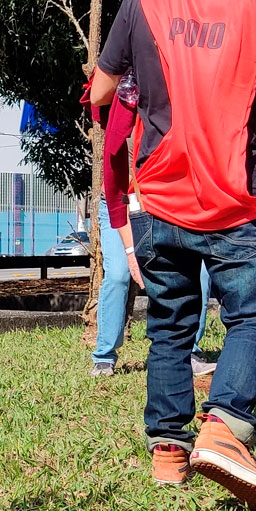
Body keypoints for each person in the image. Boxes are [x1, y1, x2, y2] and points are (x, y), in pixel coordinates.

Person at [92, 0, 256, 508]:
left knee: (171, 325)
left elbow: (103, 89)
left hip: (159, 192)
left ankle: (168, 452)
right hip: (235, 195)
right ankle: (225, 427)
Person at [91, 71, 217, 379]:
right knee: (120, 275)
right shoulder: (123, 117)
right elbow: (116, 191)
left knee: (199, 275)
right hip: (122, 204)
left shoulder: (182, 115)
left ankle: (190, 351)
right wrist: (132, 250)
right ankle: (104, 356)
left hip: (168, 206)